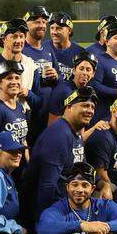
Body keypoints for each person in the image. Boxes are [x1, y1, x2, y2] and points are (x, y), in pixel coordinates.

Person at [26, 86, 95, 222]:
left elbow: (84, 169)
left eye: (93, 107)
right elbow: (47, 185)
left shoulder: (75, 133)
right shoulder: (58, 135)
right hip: (51, 212)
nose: (90, 111)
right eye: (85, 106)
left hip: (68, 206)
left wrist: (102, 184)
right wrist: (46, 223)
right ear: (69, 107)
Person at [47, 50, 101, 127]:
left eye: (88, 70)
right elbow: (52, 126)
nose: (84, 73)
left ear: (93, 74)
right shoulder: (62, 91)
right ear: (74, 70)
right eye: (81, 69)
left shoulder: (88, 92)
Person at [49, 12, 85, 82]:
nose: (54, 32)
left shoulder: (80, 52)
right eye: (52, 28)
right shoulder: (43, 48)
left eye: (59, 28)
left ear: (69, 30)